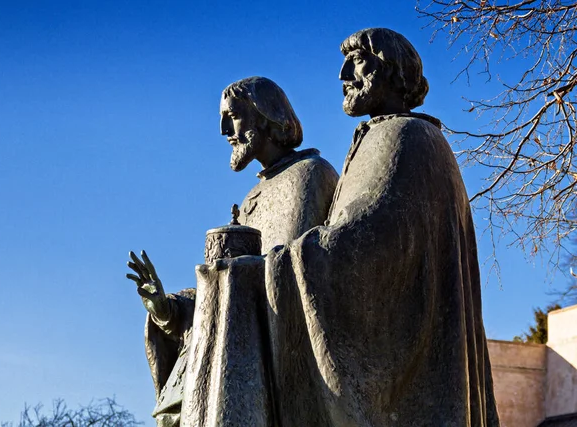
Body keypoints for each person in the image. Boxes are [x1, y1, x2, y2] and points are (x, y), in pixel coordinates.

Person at [262, 28, 500, 426]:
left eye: (356, 62)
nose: (343, 74)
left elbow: (372, 244)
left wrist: (280, 264)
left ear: (390, 70)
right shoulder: (383, 135)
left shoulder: (408, 136)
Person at [127, 77, 338, 426]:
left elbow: (295, 274)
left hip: (279, 361)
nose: (225, 129)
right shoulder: (251, 199)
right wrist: (168, 309)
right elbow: (229, 290)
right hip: (236, 346)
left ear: (265, 116)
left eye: (233, 116)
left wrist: (236, 273)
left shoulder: (311, 175)